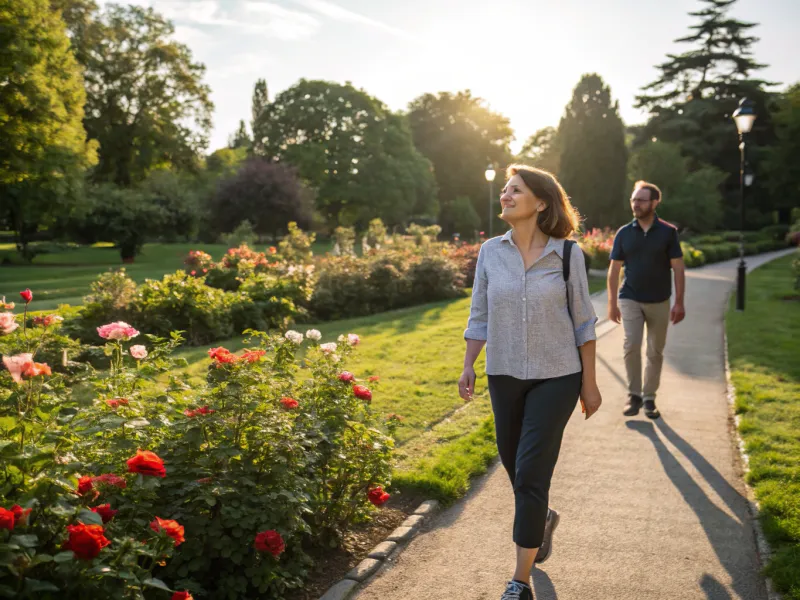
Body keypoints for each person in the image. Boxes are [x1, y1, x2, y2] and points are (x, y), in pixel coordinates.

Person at [459, 165, 602, 600]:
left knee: (532, 473)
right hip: (503, 374)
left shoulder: (568, 255)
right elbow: (479, 312)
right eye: (504, 189)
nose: (504, 194)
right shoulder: (490, 252)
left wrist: (589, 384)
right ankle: (542, 520)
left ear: (540, 202)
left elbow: (584, 322)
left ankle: (518, 582)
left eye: (514, 189)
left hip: (557, 376)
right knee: (515, 468)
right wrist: (468, 364)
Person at [607, 180, 686, 420]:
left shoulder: (668, 232)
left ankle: (649, 398)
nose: (636, 204)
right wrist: (612, 304)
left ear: (654, 202)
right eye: (634, 199)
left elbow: (678, 269)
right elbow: (613, 271)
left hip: (659, 300)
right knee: (631, 344)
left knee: (655, 351)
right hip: (630, 297)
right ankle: (634, 395)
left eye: (641, 200)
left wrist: (679, 302)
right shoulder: (623, 233)